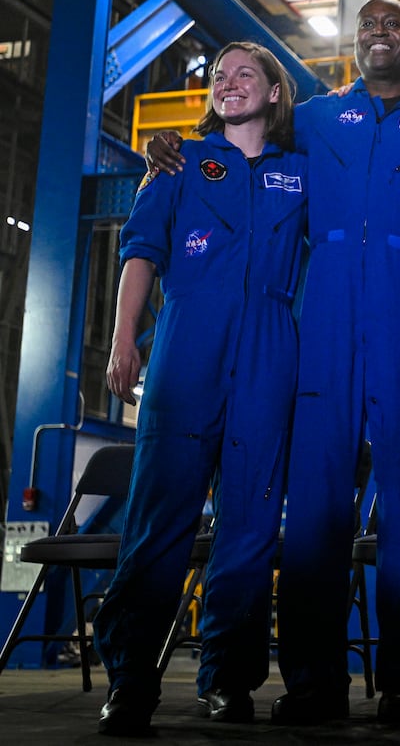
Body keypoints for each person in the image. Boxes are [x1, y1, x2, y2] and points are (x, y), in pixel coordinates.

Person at [145, 0, 400, 727]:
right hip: (321, 325)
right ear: (352, 45)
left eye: (395, 24)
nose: (381, 34)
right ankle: (315, 679)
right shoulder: (317, 119)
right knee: (316, 509)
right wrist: (175, 146)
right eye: (368, 26)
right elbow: (241, 146)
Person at [95, 42, 305, 736]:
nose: (229, 82)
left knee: (248, 527)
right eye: (219, 75)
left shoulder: (300, 172)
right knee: (160, 519)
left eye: (246, 73)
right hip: (187, 347)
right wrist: (126, 339)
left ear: (276, 92)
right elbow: (140, 254)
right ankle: (131, 678)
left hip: (270, 350)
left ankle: (228, 676)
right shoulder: (178, 162)